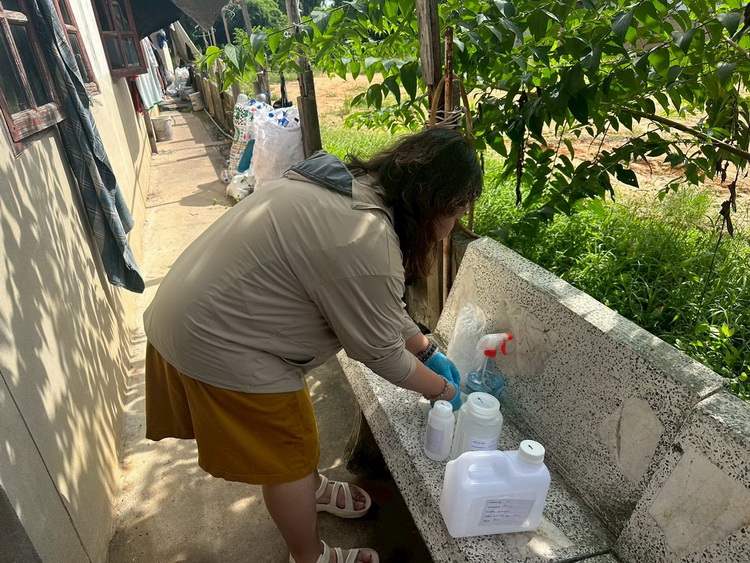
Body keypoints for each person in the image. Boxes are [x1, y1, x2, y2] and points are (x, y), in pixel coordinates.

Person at [143, 127, 483, 563]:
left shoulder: (348, 186)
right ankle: (310, 555)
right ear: (432, 204)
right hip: (219, 341)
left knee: (296, 442)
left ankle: (312, 488)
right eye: (455, 214)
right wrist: (444, 390)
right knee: (287, 458)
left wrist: (424, 349)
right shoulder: (365, 237)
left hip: (193, 313)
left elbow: (373, 302)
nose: (451, 229)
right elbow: (379, 353)